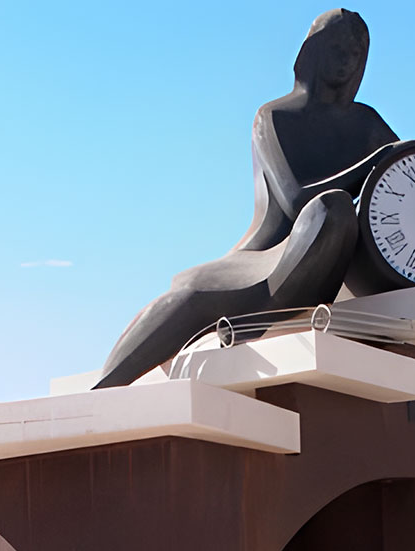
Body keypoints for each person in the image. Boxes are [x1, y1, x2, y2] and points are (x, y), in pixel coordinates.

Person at [95, 9, 398, 388]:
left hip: (326, 255)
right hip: (263, 258)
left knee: (336, 212)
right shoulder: (275, 117)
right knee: (190, 295)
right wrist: (374, 162)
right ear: (313, 52)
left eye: (354, 53)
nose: (345, 60)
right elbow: (295, 199)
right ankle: (103, 392)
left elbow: (408, 170)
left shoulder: (367, 123)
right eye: (336, 49)